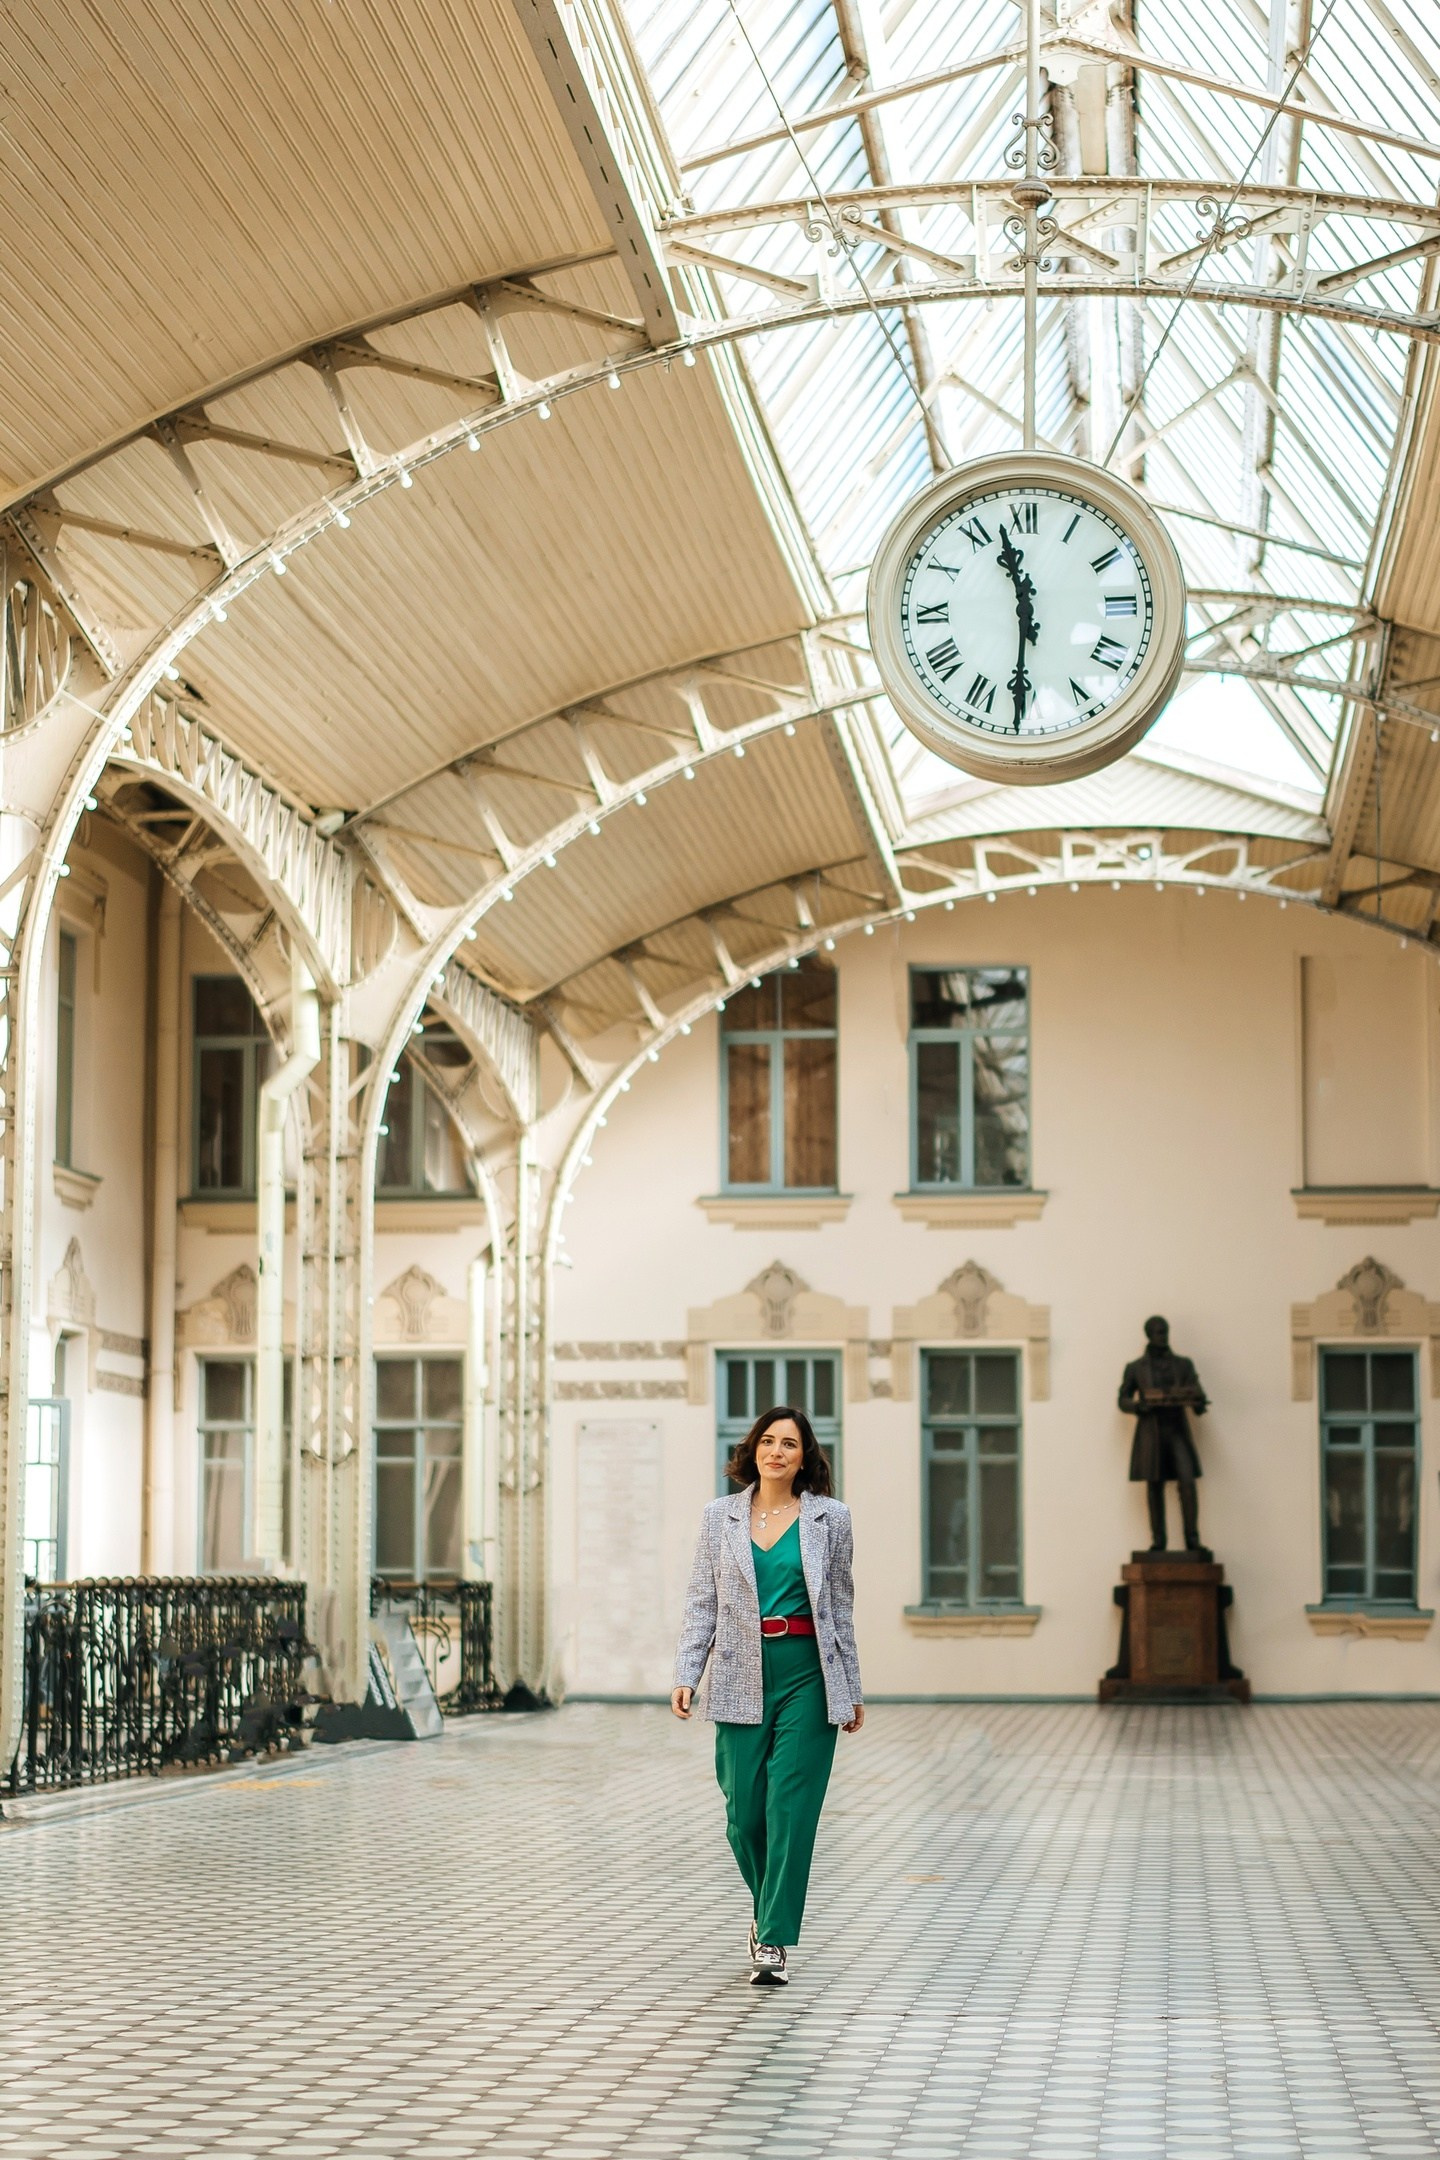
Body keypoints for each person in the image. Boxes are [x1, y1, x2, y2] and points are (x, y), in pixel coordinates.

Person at [671, 1404, 863, 1987]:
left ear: (806, 1457)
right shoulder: (718, 1517)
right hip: (738, 1668)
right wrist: (687, 1670)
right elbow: (702, 1600)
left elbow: (842, 1609)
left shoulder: (831, 1518)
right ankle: (767, 1910)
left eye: (791, 1444)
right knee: (744, 1815)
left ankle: (774, 1938)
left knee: (791, 1809)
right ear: (753, 1449)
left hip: (808, 1669)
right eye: (769, 1441)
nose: (777, 1451)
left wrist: (850, 1688)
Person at [1118, 1314, 1209, 1551]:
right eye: (1159, 1332)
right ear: (1149, 1335)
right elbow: (1123, 1399)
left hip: (1177, 1428)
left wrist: (1198, 1403)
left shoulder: (1183, 1364)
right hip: (1151, 1431)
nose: (1163, 1336)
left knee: (1187, 1482)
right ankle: (1158, 1540)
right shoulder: (1136, 1368)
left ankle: (1192, 1539)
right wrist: (1138, 1406)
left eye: (1166, 1331)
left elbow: (1197, 1392)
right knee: (1154, 1485)